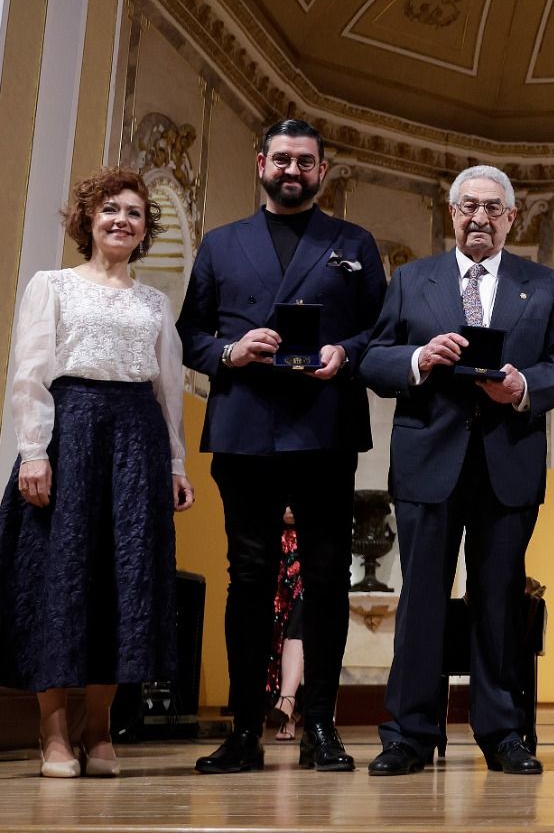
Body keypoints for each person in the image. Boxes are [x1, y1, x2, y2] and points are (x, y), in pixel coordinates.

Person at [0, 167, 195, 778]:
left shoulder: (155, 302)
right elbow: (30, 373)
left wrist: (174, 463)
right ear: (88, 219)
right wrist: (34, 451)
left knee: (122, 583)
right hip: (72, 435)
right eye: (110, 209)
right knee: (60, 580)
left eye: (134, 213)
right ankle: (53, 733)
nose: (121, 220)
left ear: (144, 231)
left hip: (137, 442)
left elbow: (167, 390)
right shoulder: (53, 285)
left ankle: (101, 730)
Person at [177, 118, 386, 774]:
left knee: (326, 579)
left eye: (306, 162)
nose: (292, 171)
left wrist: (344, 351)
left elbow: (381, 328)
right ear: (260, 163)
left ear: (323, 172)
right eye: (282, 160)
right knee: (249, 578)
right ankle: (243, 729)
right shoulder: (219, 243)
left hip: (325, 425)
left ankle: (321, 724)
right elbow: (189, 333)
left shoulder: (353, 242)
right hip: (245, 426)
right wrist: (229, 351)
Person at [359, 165, 554, 776]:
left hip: (508, 462)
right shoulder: (411, 279)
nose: (479, 217)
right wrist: (420, 358)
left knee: (499, 602)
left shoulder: (545, 283)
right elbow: (374, 360)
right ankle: (408, 734)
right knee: (422, 598)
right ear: (452, 213)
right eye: (468, 206)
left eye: (492, 208)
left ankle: (503, 733)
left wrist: (524, 385)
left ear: (512, 217)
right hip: (428, 461)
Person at [266, 508, 304, 743]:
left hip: (307, 549)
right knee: (275, 629)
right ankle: (287, 711)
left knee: (299, 622)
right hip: (273, 548)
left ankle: (287, 703)